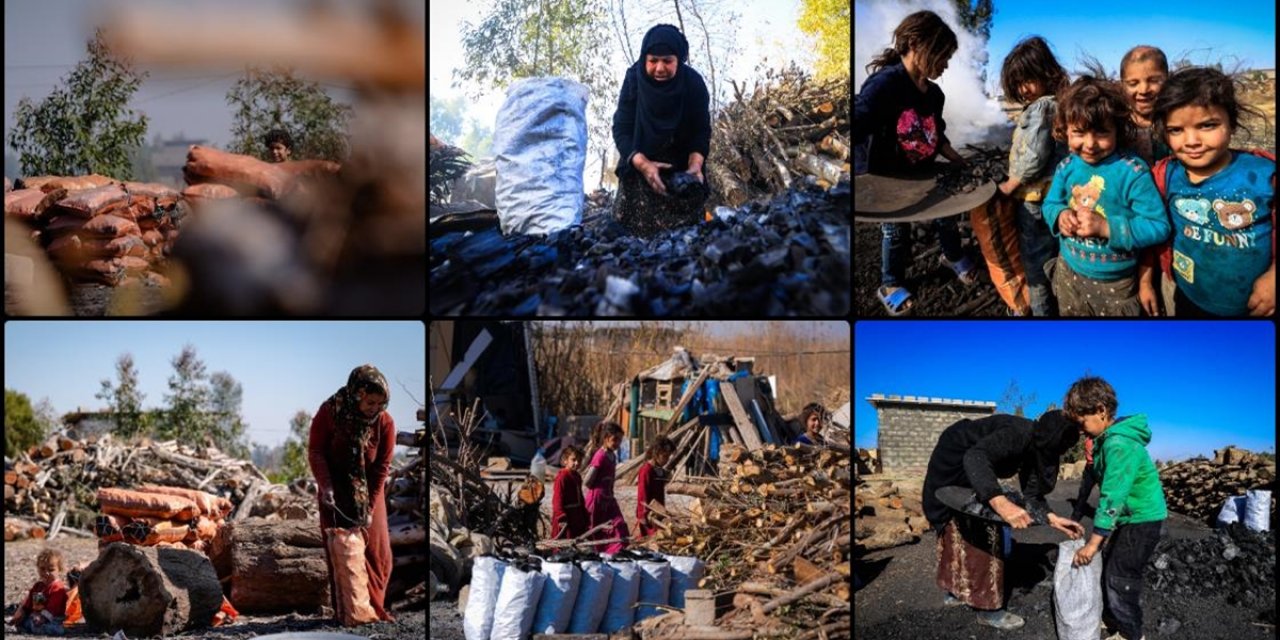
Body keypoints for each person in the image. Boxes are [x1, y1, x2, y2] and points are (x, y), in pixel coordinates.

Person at [854, 10, 978, 315]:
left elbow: (937, 136)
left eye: (949, 57)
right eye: (942, 55)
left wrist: (958, 160)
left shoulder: (934, 95)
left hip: (922, 171)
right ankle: (890, 282)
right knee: (895, 230)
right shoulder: (885, 85)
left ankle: (951, 255)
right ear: (915, 44)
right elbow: (857, 124)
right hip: (887, 177)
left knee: (946, 213)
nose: (946, 64)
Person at [920, 410, 1085, 630]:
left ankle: (961, 589)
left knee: (971, 520)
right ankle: (986, 607)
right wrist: (1001, 503)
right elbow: (975, 457)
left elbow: (1032, 495)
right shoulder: (1018, 433)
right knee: (979, 527)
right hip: (952, 462)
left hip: (972, 469)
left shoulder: (1036, 449)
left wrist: (1052, 518)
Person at [1139, 67, 1275, 317]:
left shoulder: (1265, 174)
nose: (1191, 141)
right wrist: (1146, 281)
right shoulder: (1165, 176)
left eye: (1207, 125)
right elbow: (1154, 232)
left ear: (1231, 122)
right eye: (1176, 130)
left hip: (1255, 307)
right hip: (1189, 299)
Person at [1042, 75, 1171, 316]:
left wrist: (1106, 228)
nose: (1089, 144)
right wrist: (1060, 215)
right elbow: (1050, 203)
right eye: (1079, 132)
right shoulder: (1067, 166)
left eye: (1101, 133)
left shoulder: (1132, 172)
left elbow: (1158, 226)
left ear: (1117, 130)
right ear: (1065, 131)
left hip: (1118, 284)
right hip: (1069, 271)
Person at [1065, 376, 1166, 640]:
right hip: (1129, 517)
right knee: (1111, 566)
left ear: (1100, 410)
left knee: (1120, 577)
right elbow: (1092, 482)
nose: (1081, 430)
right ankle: (1113, 617)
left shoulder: (1118, 444)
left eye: (1081, 422)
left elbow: (1112, 498)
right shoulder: (1104, 442)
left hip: (1142, 519)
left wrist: (1092, 544)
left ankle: (1131, 634)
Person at [308, 364, 397, 622]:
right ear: (356, 395)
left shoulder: (385, 423)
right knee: (340, 553)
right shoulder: (330, 412)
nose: (375, 408)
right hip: (334, 490)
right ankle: (346, 613)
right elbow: (316, 451)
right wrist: (326, 486)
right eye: (370, 401)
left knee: (378, 556)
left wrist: (369, 509)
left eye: (381, 403)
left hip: (369, 490)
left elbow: (382, 467)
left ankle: (373, 610)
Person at [611, 24, 711, 236]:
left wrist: (695, 166)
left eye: (667, 61)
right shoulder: (633, 80)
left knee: (688, 239)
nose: (659, 68)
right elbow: (621, 129)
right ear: (644, 59)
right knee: (628, 240)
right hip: (640, 166)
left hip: (681, 167)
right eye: (653, 60)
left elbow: (701, 130)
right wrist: (643, 165)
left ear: (678, 60)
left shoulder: (693, 84)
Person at [997, 36, 1070, 316]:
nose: (1022, 89)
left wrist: (1010, 185)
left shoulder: (1042, 107)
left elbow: (1034, 156)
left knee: (1036, 264)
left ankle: (1040, 313)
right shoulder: (1059, 103)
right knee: (1057, 256)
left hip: (1034, 199)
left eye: (1027, 80)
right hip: (1055, 197)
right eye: (1017, 83)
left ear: (1045, 73)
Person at [1120, 46, 1173, 167]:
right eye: (1133, 83)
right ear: (1122, 85)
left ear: (1167, 79)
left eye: (1154, 81)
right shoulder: (1117, 125)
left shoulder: (1177, 121)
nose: (1143, 90)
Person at [582, 421, 630, 554]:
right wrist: (598, 490)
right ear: (606, 438)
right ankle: (600, 554)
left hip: (608, 499)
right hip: (597, 500)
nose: (618, 443)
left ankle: (615, 553)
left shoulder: (612, 457)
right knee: (596, 530)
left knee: (618, 525)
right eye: (615, 439)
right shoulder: (600, 456)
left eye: (620, 440)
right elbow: (587, 481)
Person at [9, 548, 69, 635]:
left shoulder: (57, 588)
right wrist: (22, 612)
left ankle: (32, 627)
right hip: (35, 617)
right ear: (37, 568)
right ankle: (26, 625)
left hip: (51, 619)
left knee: (53, 629)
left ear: (59, 569)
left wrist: (42, 618)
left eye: (51, 570)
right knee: (23, 621)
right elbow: (28, 603)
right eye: (42, 569)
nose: (46, 573)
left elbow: (52, 608)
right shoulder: (38, 586)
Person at [636, 436, 675, 538]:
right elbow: (642, 494)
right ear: (656, 453)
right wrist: (643, 515)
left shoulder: (660, 470)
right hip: (649, 515)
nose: (667, 460)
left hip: (659, 512)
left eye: (668, 457)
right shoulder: (646, 470)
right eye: (665, 456)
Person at [551, 445, 589, 540]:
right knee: (564, 542)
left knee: (577, 541)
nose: (577, 463)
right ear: (565, 461)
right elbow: (557, 499)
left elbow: (580, 497)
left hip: (576, 516)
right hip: (566, 517)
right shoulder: (562, 477)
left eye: (579, 460)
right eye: (574, 460)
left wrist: (584, 513)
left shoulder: (577, 476)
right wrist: (561, 516)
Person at [1069, 434, 1097, 524]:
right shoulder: (1087, 438)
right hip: (1089, 467)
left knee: (1106, 493)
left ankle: (1109, 519)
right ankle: (1075, 518)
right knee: (1083, 493)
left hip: (1099, 467)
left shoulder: (1100, 438)